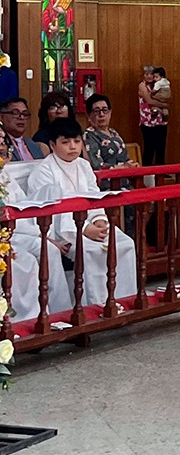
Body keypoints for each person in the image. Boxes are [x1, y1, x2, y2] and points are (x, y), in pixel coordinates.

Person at [26, 118, 139, 305]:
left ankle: (124, 301)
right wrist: (84, 229)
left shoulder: (83, 165)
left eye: (77, 141)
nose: (72, 146)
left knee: (125, 243)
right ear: (52, 145)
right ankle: (95, 306)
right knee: (90, 251)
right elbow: (53, 209)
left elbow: (94, 196)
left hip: (90, 222)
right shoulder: (44, 171)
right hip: (62, 230)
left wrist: (100, 219)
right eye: (65, 142)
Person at [3, 156, 75, 321]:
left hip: (19, 230)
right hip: (8, 234)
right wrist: (42, 235)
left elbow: (22, 206)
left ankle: (60, 314)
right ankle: (26, 319)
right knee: (26, 261)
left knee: (49, 250)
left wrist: (44, 237)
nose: (3, 150)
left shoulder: (4, 174)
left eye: (3, 145)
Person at [82, 95, 139, 172]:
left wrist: (132, 165)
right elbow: (97, 166)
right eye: (96, 111)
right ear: (89, 115)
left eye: (105, 110)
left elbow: (125, 159)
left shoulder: (114, 132)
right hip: (106, 177)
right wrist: (123, 167)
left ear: (110, 113)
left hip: (124, 175)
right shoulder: (88, 136)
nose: (101, 114)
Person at [138, 65, 169, 166]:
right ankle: (146, 171)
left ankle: (161, 170)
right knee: (149, 147)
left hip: (160, 120)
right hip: (148, 121)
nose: (149, 76)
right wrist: (164, 105)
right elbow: (149, 101)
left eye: (151, 74)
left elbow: (168, 96)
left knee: (161, 147)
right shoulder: (142, 85)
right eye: (146, 74)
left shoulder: (158, 84)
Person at [1, 97, 44, 161]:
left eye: (25, 114)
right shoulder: (1, 143)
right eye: (15, 113)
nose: (21, 117)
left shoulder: (34, 145)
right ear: (1, 117)